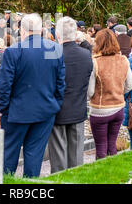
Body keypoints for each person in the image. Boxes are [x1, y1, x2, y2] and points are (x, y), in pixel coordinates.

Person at [0, 13, 65, 178]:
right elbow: (60, 84)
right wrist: (54, 104)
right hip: (44, 110)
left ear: (23, 30)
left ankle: (8, 183)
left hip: (17, 112)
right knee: (34, 154)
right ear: (41, 30)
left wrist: (3, 108)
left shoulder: (13, 51)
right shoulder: (55, 49)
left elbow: (4, 85)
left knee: (9, 154)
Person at [48, 17, 92, 173]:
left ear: (58, 35)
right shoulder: (86, 55)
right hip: (78, 109)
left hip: (58, 111)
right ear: (75, 34)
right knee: (76, 160)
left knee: (59, 163)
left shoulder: (52, 55)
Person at [87, 29, 132, 160]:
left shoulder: (95, 62)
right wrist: (119, 92)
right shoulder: (123, 60)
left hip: (100, 109)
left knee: (101, 147)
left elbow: (90, 91)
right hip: (118, 107)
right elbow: (131, 84)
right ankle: (114, 174)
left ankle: (102, 177)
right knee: (112, 146)